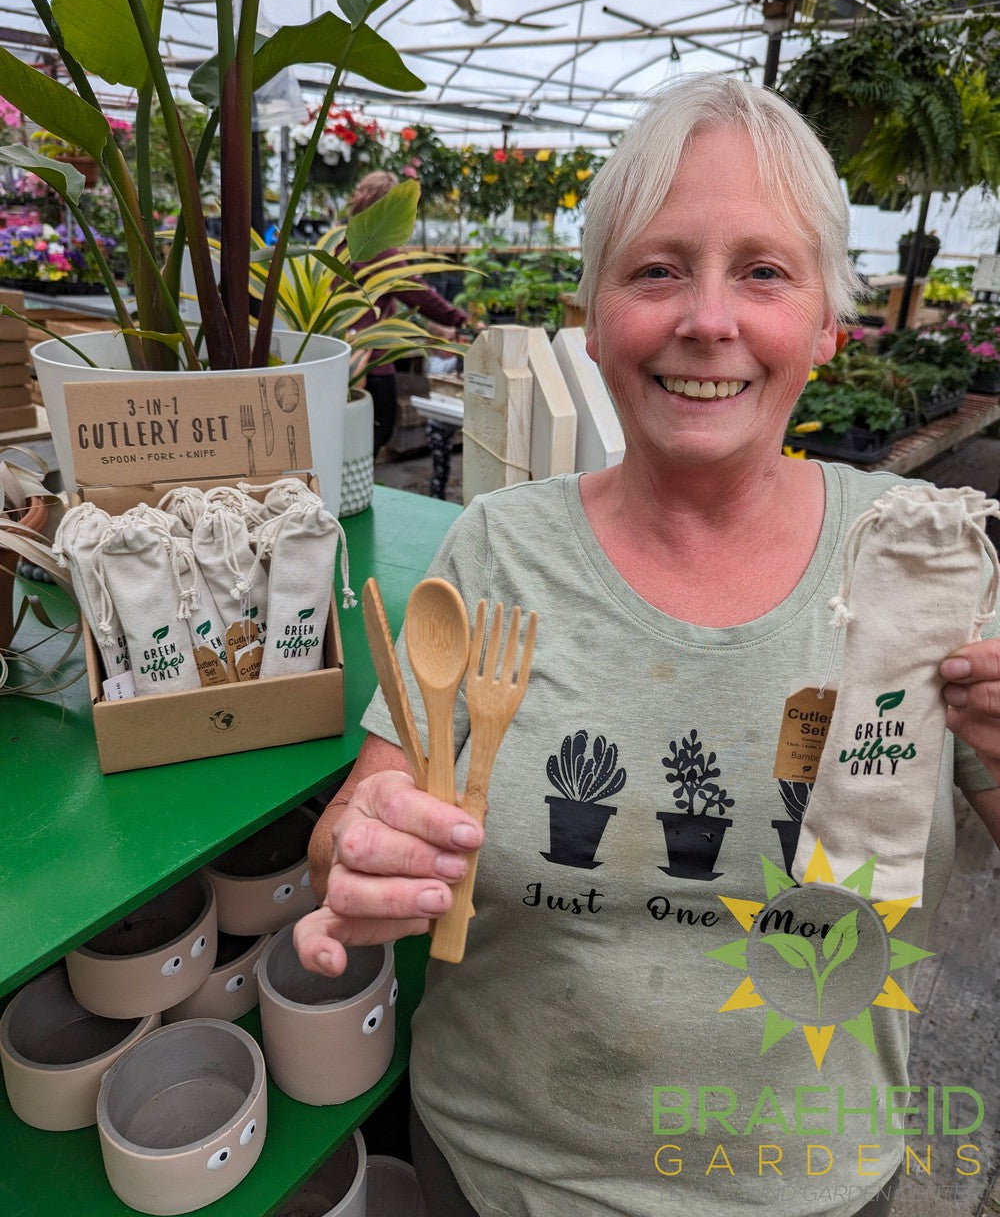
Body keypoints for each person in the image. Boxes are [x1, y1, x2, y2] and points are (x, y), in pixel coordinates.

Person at [295, 76, 1000, 1217]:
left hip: (809, 1182)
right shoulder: (496, 549)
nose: (706, 319)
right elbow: (357, 829)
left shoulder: (917, 558)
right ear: (591, 317)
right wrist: (357, 858)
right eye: (657, 268)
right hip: (498, 1170)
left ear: (827, 322)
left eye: (762, 271)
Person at [346, 169, 470, 455]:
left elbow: (403, 302)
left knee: (349, 440)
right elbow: (420, 295)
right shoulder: (379, 251)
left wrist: (435, 331)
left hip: (339, 354)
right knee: (376, 434)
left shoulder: (340, 242)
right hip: (371, 362)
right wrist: (460, 321)